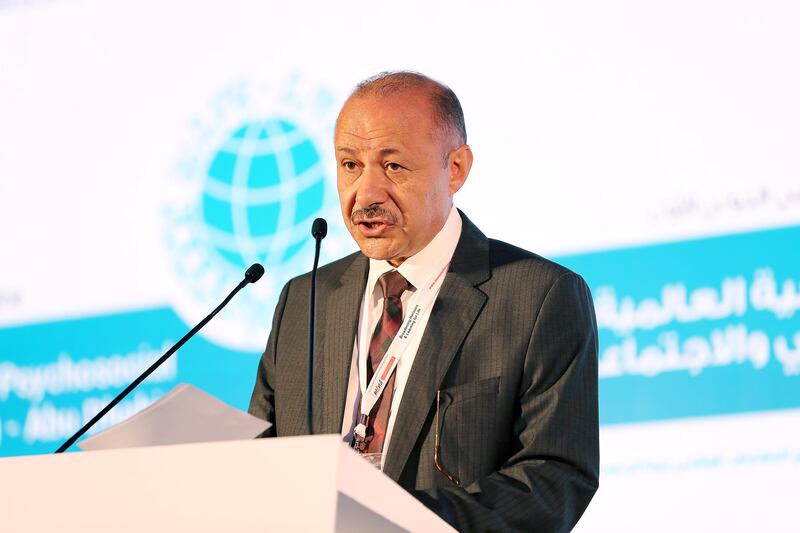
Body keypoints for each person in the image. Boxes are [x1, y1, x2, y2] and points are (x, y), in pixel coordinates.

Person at [249, 71, 599, 532]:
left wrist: (390, 522)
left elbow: (554, 479)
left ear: (456, 168)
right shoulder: (303, 301)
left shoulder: (538, 297)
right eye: (350, 165)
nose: (367, 194)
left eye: (393, 167)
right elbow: (260, 465)